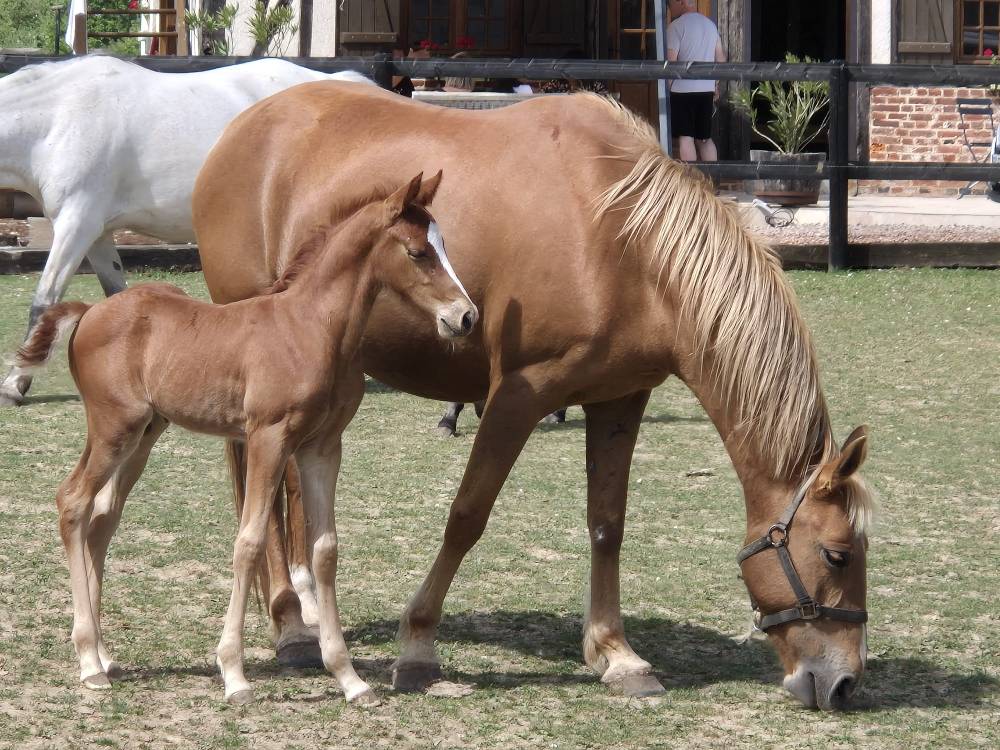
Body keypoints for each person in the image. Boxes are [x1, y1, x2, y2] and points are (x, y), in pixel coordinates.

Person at [666, 0, 726, 162]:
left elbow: (671, 64)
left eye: (670, 4)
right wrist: (715, 85)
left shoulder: (675, 27)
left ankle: (691, 183)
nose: (670, 9)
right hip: (706, 89)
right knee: (704, 138)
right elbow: (721, 60)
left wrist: (668, 89)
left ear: (682, 2)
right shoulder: (710, 26)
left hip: (681, 90)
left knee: (686, 137)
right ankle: (712, 181)